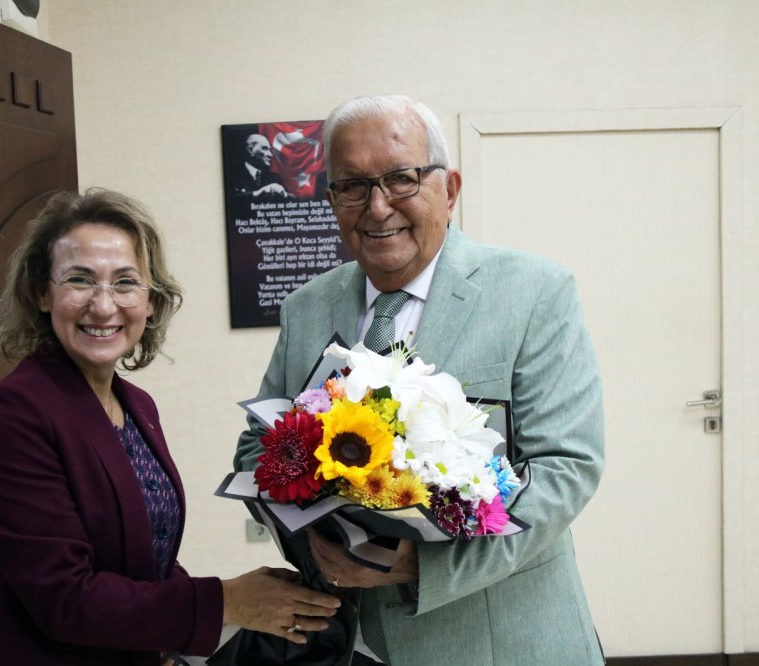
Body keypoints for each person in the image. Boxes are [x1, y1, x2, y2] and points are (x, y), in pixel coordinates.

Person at [234, 95, 605, 665]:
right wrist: (312, 546)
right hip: (350, 642)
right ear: (332, 200)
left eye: (401, 179)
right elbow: (257, 447)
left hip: (499, 641)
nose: (377, 207)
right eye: (352, 186)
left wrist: (428, 564)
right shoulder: (306, 307)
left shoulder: (534, 292)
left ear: (449, 189)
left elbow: (566, 466)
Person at [0, 188, 341, 665]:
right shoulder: (12, 415)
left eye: (125, 282)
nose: (103, 305)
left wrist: (246, 605)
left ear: (151, 300)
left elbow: (142, 558)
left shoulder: (136, 405)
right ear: (41, 292)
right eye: (79, 280)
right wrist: (226, 601)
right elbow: (66, 601)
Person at [231, 132, 292, 199]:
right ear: (251, 150)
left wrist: (284, 194)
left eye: (269, 150)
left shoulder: (275, 178)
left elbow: (296, 199)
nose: (270, 155)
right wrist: (256, 194)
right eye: (265, 148)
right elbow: (230, 198)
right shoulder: (232, 175)